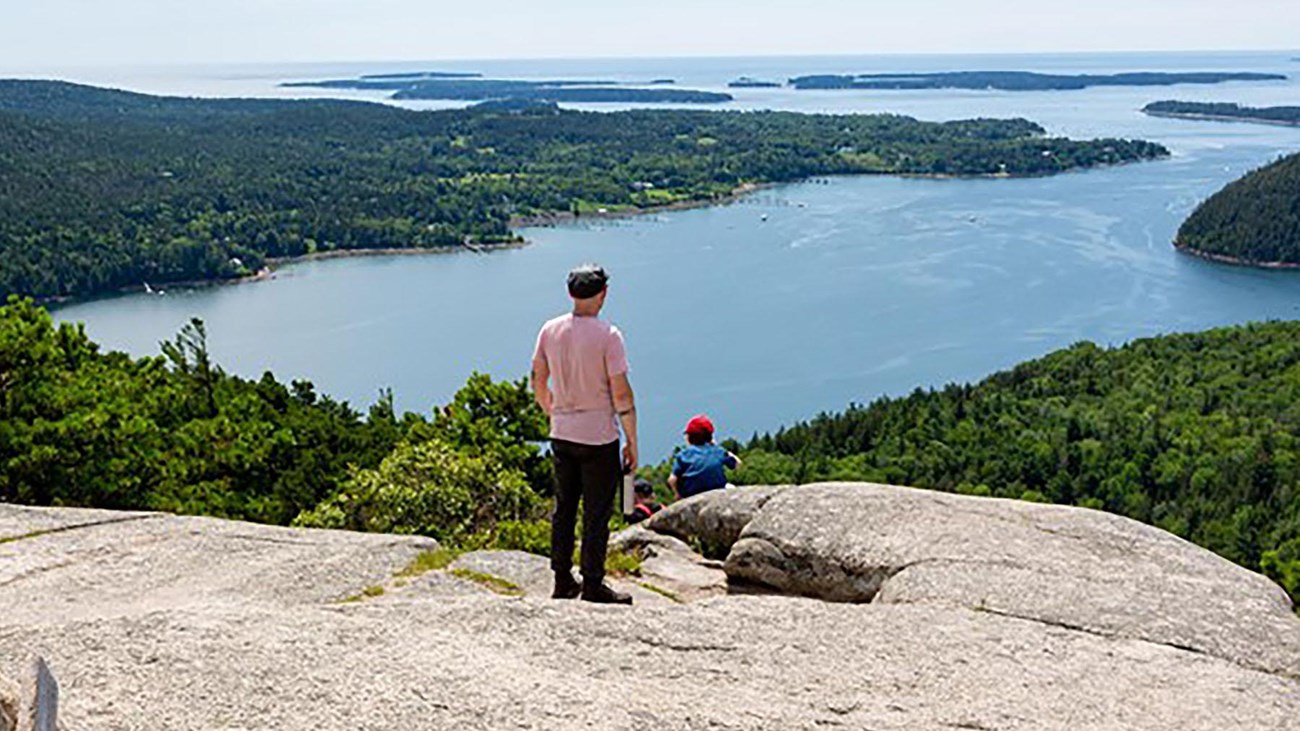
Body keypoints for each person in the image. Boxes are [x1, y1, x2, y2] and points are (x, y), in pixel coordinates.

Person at [531, 263, 638, 605]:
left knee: (564, 508)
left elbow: (538, 377)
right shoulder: (609, 335)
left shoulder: (550, 330)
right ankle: (593, 583)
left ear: (571, 294)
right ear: (603, 294)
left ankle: (562, 579)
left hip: (562, 433)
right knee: (596, 512)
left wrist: (552, 409)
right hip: (598, 437)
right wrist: (632, 440)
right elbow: (621, 394)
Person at [669, 414, 742, 499]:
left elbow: (672, 479)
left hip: (691, 495)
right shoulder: (718, 451)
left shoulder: (683, 455)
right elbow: (738, 464)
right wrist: (724, 451)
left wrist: (677, 494)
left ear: (690, 437)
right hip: (717, 492)